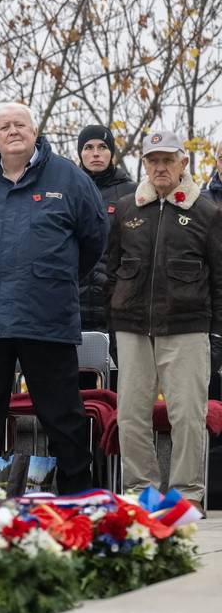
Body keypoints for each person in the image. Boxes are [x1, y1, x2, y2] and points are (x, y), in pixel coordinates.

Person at [0, 103, 109, 497]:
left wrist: (54, 277)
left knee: (63, 415)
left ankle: (77, 498)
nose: (13, 131)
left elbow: (94, 239)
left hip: (47, 317)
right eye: (4, 126)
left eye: (20, 124)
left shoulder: (70, 178)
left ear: (35, 131)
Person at [104, 130, 222, 515]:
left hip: (188, 327)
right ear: (144, 164)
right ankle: (141, 492)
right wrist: (115, 320)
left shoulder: (207, 212)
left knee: (187, 415)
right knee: (130, 415)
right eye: (152, 160)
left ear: (183, 163)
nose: (159, 167)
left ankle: (187, 495)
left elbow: (220, 280)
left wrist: (216, 335)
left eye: (167, 159)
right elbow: (111, 269)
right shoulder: (127, 209)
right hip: (133, 327)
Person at [77, 124, 138, 334]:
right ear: (80, 153)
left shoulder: (132, 193)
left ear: (111, 152)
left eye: (102, 147)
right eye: (88, 147)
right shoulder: (67, 189)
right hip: (72, 303)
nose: (96, 153)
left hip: (116, 303)